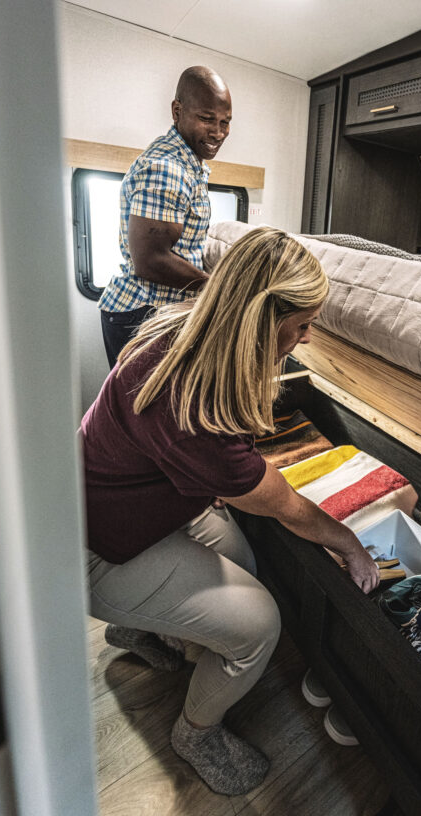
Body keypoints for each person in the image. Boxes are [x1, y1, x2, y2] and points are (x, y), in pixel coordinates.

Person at [82, 227, 379, 796]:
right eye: (300, 327)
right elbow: (284, 503)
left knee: (243, 560)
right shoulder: (189, 403)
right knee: (258, 625)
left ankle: (141, 625)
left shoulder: (180, 330)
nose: (309, 338)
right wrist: (347, 542)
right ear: (262, 324)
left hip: (126, 507)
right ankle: (196, 731)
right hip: (99, 550)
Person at [98, 65, 232, 368]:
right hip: (142, 314)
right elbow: (151, 260)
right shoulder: (168, 167)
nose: (218, 132)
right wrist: (217, 288)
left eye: (225, 122)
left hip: (147, 311)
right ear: (177, 111)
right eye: (207, 118)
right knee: (147, 415)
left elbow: (179, 245)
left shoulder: (188, 163)